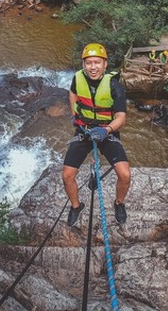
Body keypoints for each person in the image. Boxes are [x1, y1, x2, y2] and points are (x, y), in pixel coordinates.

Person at [64, 43, 130, 227]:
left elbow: (121, 117)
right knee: (67, 175)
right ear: (84, 64)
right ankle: (76, 206)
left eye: (97, 63)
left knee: (124, 174)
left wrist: (106, 130)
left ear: (105, 64)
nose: (93, 67)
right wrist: (74, 114)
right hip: (84, 129)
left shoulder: (114, 85)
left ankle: (119, 203)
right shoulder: (77, 79)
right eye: (89, 63)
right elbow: (72, 93)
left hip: (106, 131)